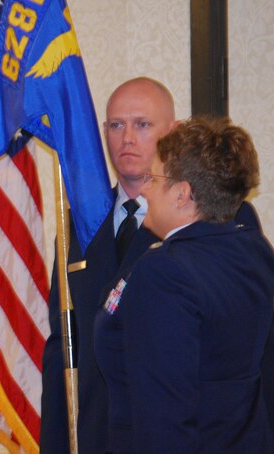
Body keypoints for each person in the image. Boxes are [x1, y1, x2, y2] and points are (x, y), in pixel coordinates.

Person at [94, 117, 274, 453]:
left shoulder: (164, 272)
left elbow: (162, 415)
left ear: (182, 194)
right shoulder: (253, 251)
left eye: (153, 178)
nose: (145, 189)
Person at [40, 77, 178, 453]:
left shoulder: (192, 222)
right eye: (117, 125)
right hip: (93, 434)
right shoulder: (78, 224)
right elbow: (62, 345)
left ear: (174, 132)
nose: (127, 138)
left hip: (164, 434)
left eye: (143, 124)